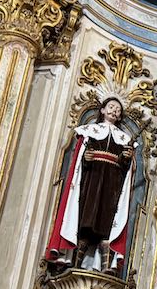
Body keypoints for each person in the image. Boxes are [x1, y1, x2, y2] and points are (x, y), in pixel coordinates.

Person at [45, 97, 136, 272]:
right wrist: (86, 159)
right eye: (111, 107)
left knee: (107, 220)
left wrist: (126, 158)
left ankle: (106, 265)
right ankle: (75, 263)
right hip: (91, 180)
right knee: (87, 218)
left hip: (112, 183)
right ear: (102, 110)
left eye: (117, 109)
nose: (114, 110)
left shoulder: (124, 138)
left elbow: (125, 169)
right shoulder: (90, 131)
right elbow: (80, 160)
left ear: (120, 116)